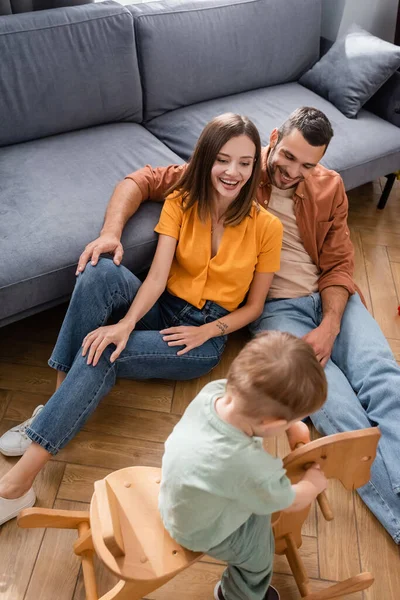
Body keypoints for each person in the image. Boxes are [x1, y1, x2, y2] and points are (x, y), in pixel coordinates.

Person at [3, 107, 399, 544]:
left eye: (308, 164)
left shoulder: (305, 198)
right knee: (97, 276)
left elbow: (336, 263)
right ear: (272, 142)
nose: (292, 172)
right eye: (286, 158)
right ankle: (55, 408)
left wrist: (329, 321)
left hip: (292, 310)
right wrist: (115, 251)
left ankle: (24, 470)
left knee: (384, 381)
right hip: (229, 310)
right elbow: (144, 196)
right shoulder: (206, 186)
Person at [0, 114, 283, 526]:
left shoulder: (268, 227)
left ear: (256, 163)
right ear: (205, 159)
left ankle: (16, 486)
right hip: (162, 306)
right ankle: (54, 409)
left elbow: (254, 307)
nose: (233, 172)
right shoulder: (181, 202)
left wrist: (207, 330)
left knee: (105, 353)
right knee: (99, 271)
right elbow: (155, 277)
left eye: (245, 162)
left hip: (201, 337)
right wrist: (128, 322)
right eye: (223, 159)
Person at [160, 331, 328, 600]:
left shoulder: (214, 392)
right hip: (198, 530)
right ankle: (235, 595)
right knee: (258, 560)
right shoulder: (251, 465)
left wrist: (289, 423)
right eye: (291, 420)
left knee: (252, 502)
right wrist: (312, 484)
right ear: (272, 424)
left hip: (176, 496)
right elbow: (291, 501)